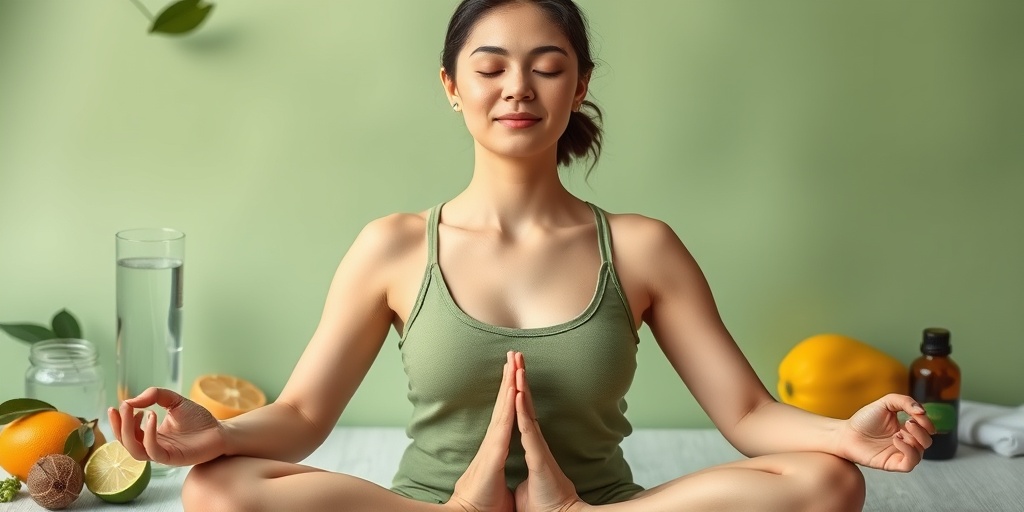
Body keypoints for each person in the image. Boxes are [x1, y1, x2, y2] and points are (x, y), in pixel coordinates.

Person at [110, 1, 936, 511]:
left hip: (605, 505)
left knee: (831, 486)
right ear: (450, 86)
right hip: (427, 508)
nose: (518, 89)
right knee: (218, 493)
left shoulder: (642, 248)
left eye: (547, 67)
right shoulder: (393, 247)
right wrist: (211, 437)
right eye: (491, 67)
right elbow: (298, 419)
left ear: (577, 88)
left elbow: (751, 418)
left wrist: (844, 437)